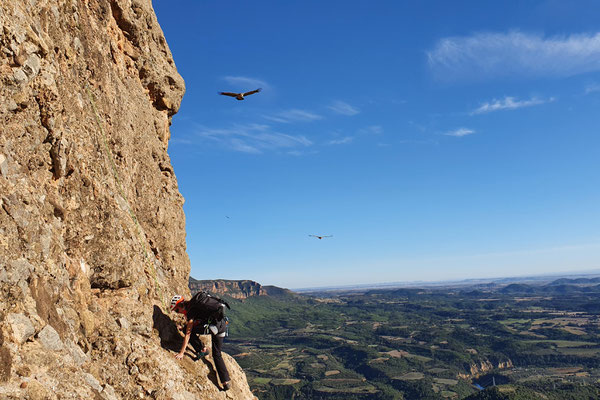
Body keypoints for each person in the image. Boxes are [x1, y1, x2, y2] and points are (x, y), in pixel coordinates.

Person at [171, 294, 231, 391]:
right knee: (217, 354)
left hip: (214, 328)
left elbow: (188, 334)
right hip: (222, 325)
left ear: (181, 305)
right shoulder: (195, 305)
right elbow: (199, 321)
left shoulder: (191, 311)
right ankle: (225, 382)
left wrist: (181, 353)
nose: (178, 313)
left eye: (177, 310)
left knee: (187, 329)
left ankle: (202, 349)